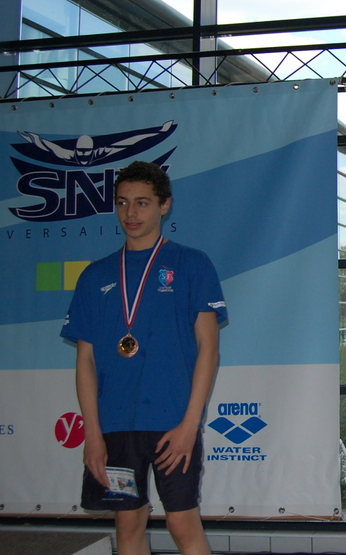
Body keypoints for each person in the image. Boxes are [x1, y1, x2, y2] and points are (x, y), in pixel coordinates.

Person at [61, 161, 227, 555]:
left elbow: (209, 349)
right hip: (116, 426)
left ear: (164, 205)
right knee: (129, 524)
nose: (131, 213)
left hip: (173, 423)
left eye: (142, 203)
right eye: (122, 203)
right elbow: (85, 362)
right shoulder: (94, 275)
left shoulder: (192, 264)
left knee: (182, 523)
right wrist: (93, 434)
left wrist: (190, 424)